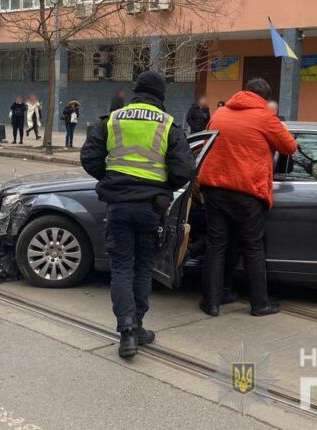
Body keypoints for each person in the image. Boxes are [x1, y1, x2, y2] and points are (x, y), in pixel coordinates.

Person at [80, 71, 194, 358]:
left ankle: (126, 331)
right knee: (143, 267)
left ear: (136, 91)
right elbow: (183, 170)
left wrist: (112, 179)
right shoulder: (168, 125)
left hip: (118, 205)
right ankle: (138, 325)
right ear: (161, 96)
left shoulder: (114, 119)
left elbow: (89, 157)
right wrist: (163, 189)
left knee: (121, 267)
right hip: (150, 208)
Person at [197, 78, 297, 317]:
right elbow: (290, 147)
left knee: (216, 245)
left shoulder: (220, 113)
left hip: (214, 188)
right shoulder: (264, 117)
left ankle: (212, 301)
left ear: (243, 93)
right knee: (252, 247)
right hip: (246, 191)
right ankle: (259, 304)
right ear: (263, 98)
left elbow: (204, 143)